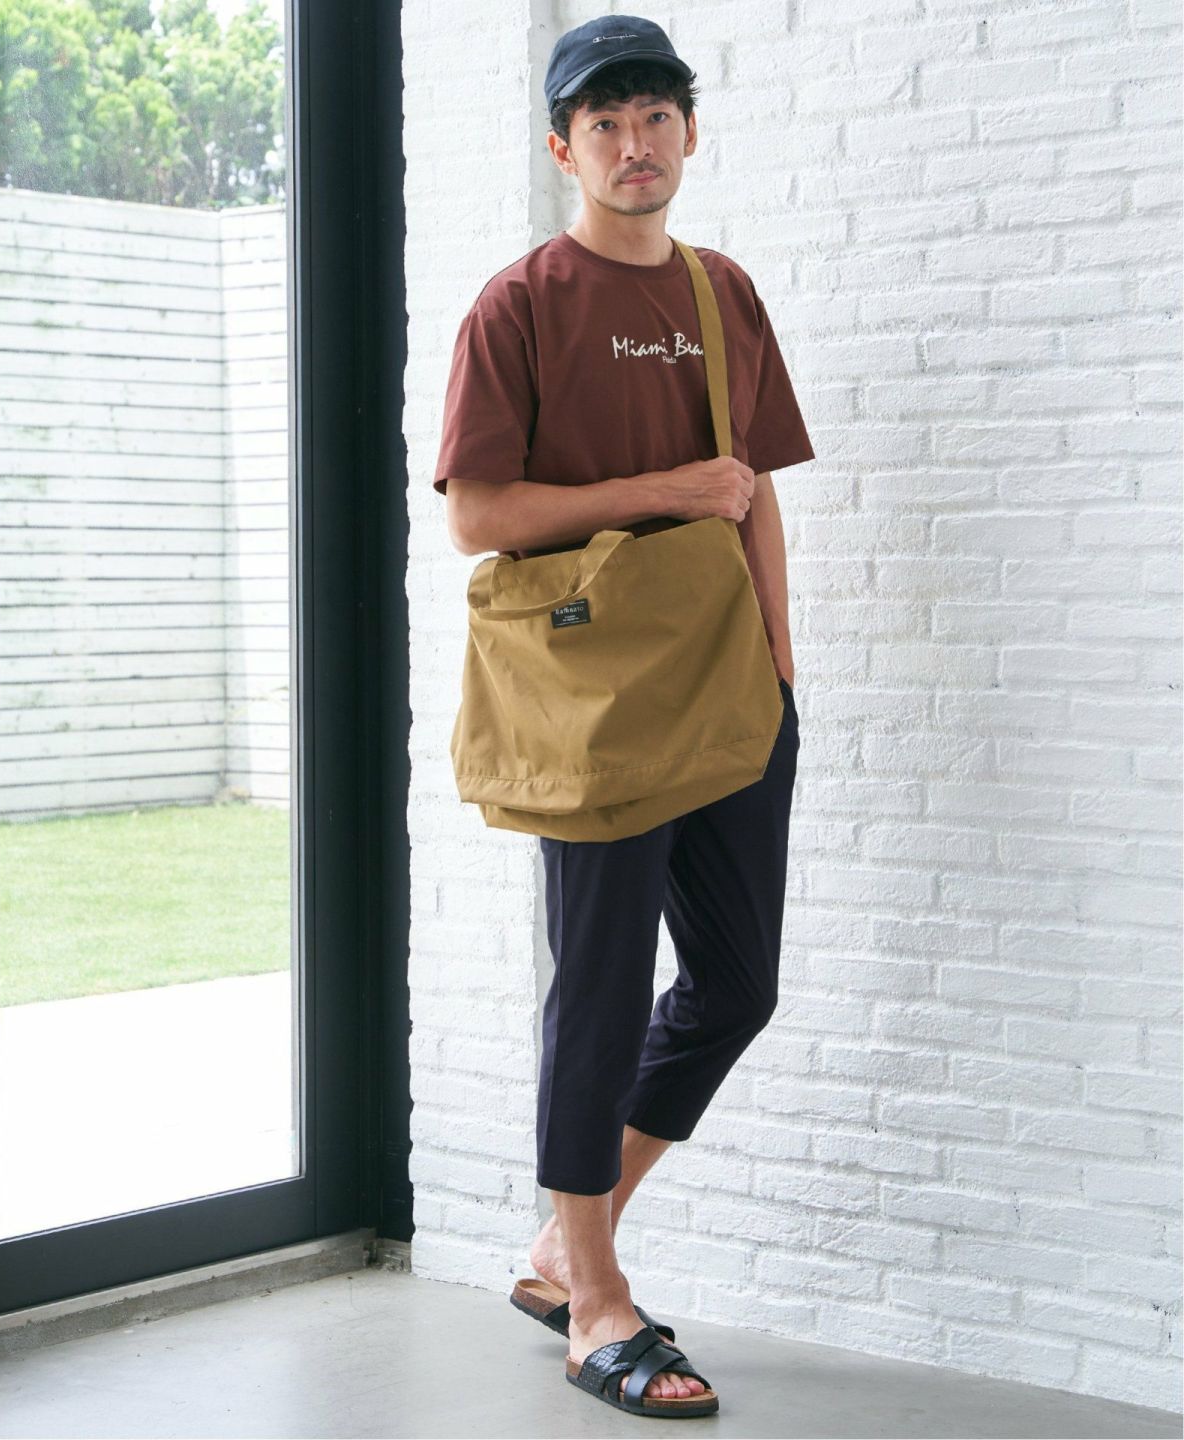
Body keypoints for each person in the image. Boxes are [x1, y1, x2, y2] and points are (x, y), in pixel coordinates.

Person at [432, 13, 815, 1419]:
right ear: (564, 148)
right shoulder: (519, 305)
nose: (634, 143)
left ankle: (562, 1239)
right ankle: (596, 1297)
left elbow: (752, 492)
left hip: (732, 695)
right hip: (594, 707)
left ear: (690, 132)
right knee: (596, 987)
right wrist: (660, 493)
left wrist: (783, 667)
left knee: (736, 984)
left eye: (656, 115)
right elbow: (479, 514)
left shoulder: (724, 292)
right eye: (605, 122)